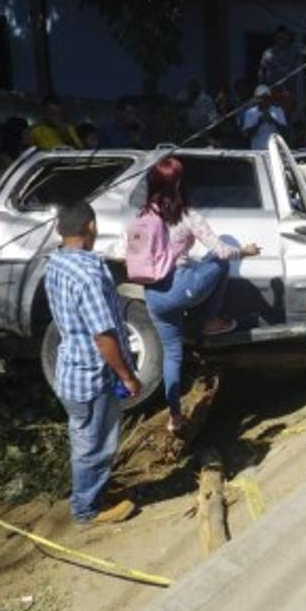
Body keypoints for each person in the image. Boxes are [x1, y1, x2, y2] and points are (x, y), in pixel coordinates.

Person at [138, 157, 259, 434]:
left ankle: (175, 417)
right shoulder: (188, 216)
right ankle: (210, 320)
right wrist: (246, 251)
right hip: (182, 289)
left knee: (172, 355)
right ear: (181, 185)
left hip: (154, 296)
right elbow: (222, 252)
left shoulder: (143, 217)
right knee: (222, 257)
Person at [44, 200, 142, 526]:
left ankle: (93, 492)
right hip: (90, 376)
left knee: (86, 438)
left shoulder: (56, 261)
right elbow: (103, 335)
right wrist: (127, 376)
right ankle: (87, 510)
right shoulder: (87, 275)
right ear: (91, 226)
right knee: (94, 445)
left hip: (70, 369)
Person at [241, 85, 288, 150]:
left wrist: (273, 121)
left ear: (269, 98)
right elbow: (246, 135)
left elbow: (285, 132)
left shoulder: (278, 111)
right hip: (257, 151)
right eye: (260, 98)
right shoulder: (250, 113)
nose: (262, 101)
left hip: (275, 151)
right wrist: (259, 122)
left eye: (265, 98)